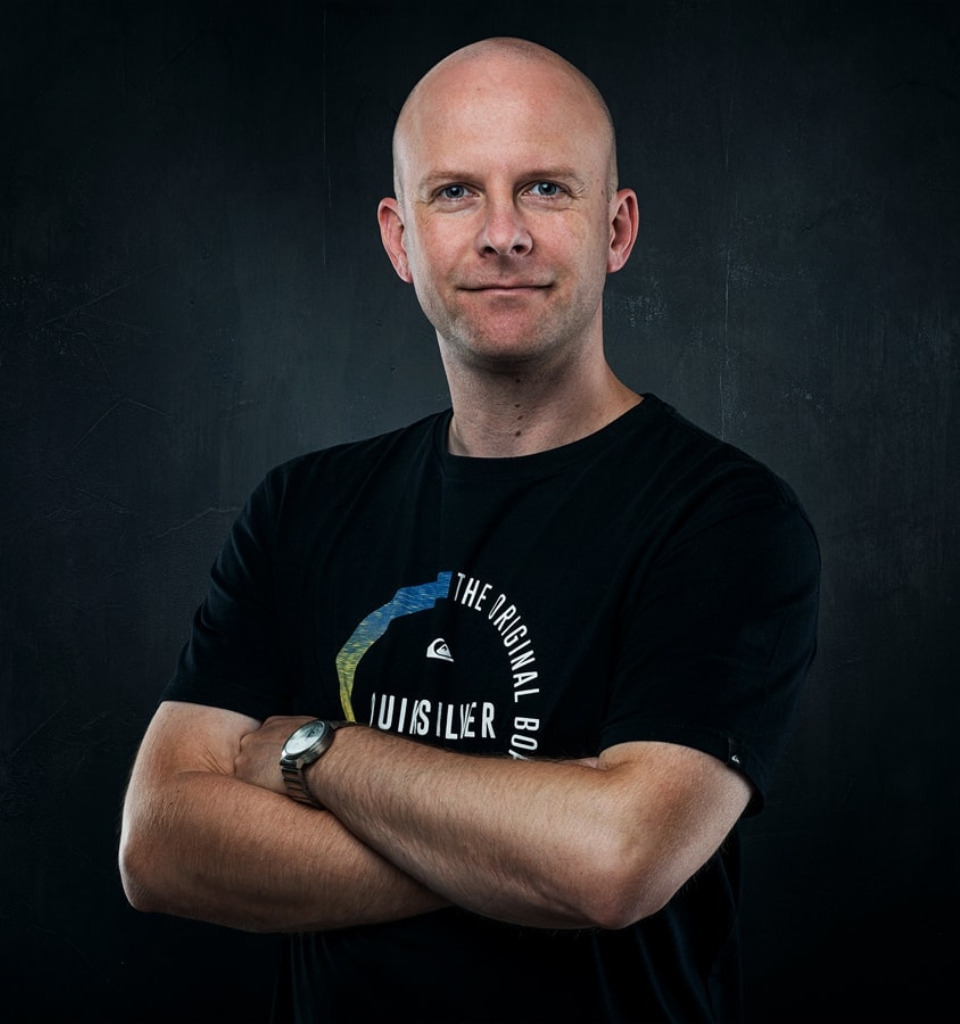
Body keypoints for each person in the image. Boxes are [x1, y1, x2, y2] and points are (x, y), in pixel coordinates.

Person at [120, 36, 820, 1024]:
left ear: (616, 228)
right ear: (399, 238)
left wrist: (317, 752)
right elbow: (159, 845)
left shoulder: (725, 519)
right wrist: (532, 839)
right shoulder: (300, 507)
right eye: (454, 193)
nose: (502, 234)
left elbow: (613, 861)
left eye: (544, 188)